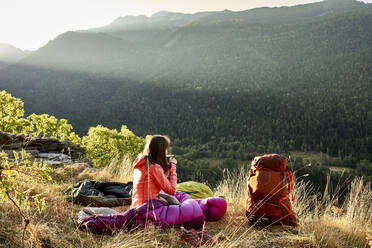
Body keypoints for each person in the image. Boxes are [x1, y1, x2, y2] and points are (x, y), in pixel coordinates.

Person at [130, 135, 178, 208]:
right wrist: (173, 167)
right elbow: (172, 191)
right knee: (184, 200)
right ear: (160, 151)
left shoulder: (141, 163)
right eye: (165, 149)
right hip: (148, 208)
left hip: (136, 206)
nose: (167, 152)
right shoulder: (154, 168)